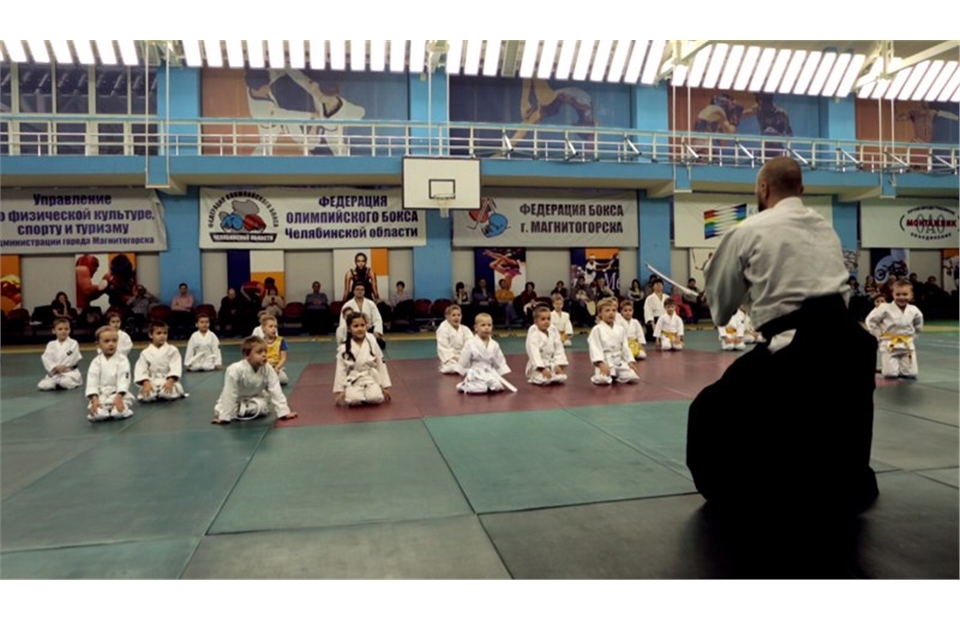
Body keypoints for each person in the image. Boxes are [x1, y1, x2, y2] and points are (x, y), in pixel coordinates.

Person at [688, 156, 879, 516]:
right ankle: (842, 484)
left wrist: (733, 288)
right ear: (801, 189)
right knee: (835, 416)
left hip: (800, 346)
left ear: (763, 189)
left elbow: (721, 310)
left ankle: (743, 490)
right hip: (853, 346)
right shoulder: (826, 228)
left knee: (711, 408)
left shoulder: (747, 230)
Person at [211, 336, 298, 424]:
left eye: (265, 352)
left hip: (255, 399)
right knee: (219, 410)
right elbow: (229, 393)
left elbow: (276, 390)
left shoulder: (268, 368)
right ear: (247, 355)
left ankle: (239, 411)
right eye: (259, 352)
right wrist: (224, 417)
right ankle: (233, 411)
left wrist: (284, 412)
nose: (264, 355)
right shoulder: (235, 370)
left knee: (262, 407)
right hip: (236, 399)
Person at [866, 280, 924, 380]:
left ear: (911, 295)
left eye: (905, 294)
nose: (901, 297)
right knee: (890, 374)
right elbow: (872, 321)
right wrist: (878, 335)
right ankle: (886, 367)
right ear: (892, 294)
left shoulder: (914, 310)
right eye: (898, 294)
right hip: (889, 343)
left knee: (911, 373)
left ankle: (901, 367)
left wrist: (913, 336)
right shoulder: (884, 308)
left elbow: (918, 325)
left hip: (907, 344)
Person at [334, 311, 392, 406]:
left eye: (362, 325)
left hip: (370, 377)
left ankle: (373, 390)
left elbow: (381, 363)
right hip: (354, 379)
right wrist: (340, 391)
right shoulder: (344, 347)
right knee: (354, 400)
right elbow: (341, 369)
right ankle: (356, 393)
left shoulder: (372, 342)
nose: (360, 328)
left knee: (375, 398)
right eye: (355, 326)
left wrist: (385, 386)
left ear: (366, 326)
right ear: (349, 329)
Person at [456, 313, 514, 394]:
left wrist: (499, 372)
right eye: (483, 325)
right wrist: (463, 373)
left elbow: (499, 359)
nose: (486, 328)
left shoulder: (494, 344)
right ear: (476, 328)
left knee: (497, 386)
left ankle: (485, 386)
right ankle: (465, 385)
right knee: (479, 387)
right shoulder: (470, 343)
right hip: (476, 372)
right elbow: (464, 360)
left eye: (489, 325)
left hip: (489, 372)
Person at [85, 326, 134, 422]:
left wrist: (119, 397)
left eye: (114, 341)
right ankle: (104, 410)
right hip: (101, 396)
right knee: (98, 415)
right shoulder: (96, 362)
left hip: (118, 395)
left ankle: (125, 410)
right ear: (98, 344)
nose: (111, 344)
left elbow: (124, 380)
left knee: (118, 413)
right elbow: (92, 382)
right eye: (106, 341)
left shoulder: (122, 360)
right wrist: (94, 399)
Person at [588, 297, 640, 386]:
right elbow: (594, 348)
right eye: (607, 310)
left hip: (618, 361)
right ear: (600, 313)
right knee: (603, 380)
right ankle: (606, 374)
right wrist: (601, 364)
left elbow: (625, 346)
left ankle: (616, 375)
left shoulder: (620, 329)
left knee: (632, 376)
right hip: (605, 361)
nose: (611, 313)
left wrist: (630, 361)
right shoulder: (597, 329)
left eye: (613, 310)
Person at [134, 321, 187, 401]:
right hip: (152, 382)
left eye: (165, 333)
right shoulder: (145, 353)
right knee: (148, 397)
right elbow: (141, 370)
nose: (162, 336)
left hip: (167, 380)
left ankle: (169, 391)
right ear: (151, 335)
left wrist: (170, 381)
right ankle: (154, 392)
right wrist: (146, 383)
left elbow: (176, 368)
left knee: (166, 394)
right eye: (158, 333)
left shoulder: (173, 350)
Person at [524, 304, 568, 385]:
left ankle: (551, 372)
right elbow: (534, 353)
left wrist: (558, 365)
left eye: (548, 319)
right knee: (543, 379)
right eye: (543, 319)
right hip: (537, 366)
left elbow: (559, 347)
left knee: (561, 377)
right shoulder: (534, 334)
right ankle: (538, 374)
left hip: (551, 364)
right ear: (535, 321)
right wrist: (542, 369)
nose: (546, 321)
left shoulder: (553, 330)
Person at [38, 317, 83, 391]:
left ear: (69, 330)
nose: (63, 331)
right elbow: (46, 358)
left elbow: (72, 358)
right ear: (54, 331)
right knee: (42, 385)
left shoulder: (73, 343)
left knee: (64, 382)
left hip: (69, 372)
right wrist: (54, 367)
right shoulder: (51, 344)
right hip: (55, 373)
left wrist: (63, 367)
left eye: (66, 329)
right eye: (60, 329)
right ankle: (57, 384)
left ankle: (66, 383)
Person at [339, 283, 385, 350]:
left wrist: (377, 332)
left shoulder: (371, 304)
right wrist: (347, 334)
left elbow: (377, 319)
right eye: (357, 289)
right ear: (353, 291)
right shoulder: (347, 305)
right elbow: (343, 322)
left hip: (369, 330)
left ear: (364, 291)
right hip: (353, 332)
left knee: (380, 344)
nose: (360, 291)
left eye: (362, 290)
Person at [436, 304, 473, 375]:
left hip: (464, 357)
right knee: (451, 367)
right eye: (453, 315)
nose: (456, 317)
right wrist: (456, 358)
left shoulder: (465, 329)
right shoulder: (442, 329)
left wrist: (465, 357)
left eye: (459, 315)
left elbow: (470, 345)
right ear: (447, 317)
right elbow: (444, 348)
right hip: (451, 359)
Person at [260, 315, 289, 385]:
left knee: (283, 379)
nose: (274, 329)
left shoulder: (281, 340)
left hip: (276, 367)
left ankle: (269, 380)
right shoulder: (260, 342)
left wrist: (277, 368)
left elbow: (283, 358)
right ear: (263, 328)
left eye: (275, 326)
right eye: (271, 326)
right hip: (264, 368)